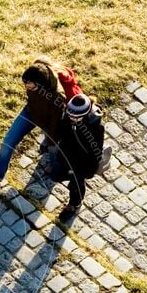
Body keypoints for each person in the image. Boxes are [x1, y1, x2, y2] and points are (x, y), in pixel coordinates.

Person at [0, 58, 81, 189]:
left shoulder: (57, 97)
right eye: (25, 83)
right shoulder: (34, 77)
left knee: (54, 150)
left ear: (40, 84)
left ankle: (56, 170)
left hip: (49, 121)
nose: (26, 86)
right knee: (8, 141)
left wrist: (52, 141)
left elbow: (54, 123)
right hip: (30, 112)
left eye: (29, 84)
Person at [49, 93, 105, 225]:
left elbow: (96, 150)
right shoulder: (68, 117)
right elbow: (62, 130)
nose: (72, 119)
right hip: (67, 153)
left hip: (82, 162)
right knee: (59, 174)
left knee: (76, 184)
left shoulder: (96, 128)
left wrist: (88, 167)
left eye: (76, 117)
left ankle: (75, 203)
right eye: (70, 116)